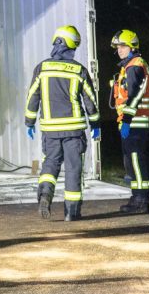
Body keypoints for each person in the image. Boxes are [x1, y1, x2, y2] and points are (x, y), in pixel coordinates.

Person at [25, 25, 100, 221]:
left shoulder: (42, 68)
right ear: (69, 46)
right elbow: (90, 100)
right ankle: (71, 213)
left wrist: (29, 122)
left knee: (50, 164)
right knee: (74, 170)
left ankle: (45, 196)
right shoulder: (79, 70)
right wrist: (96, 124)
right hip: (74, 131)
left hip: (50, 130)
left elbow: (32, 97)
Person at [109, 29, 149, 214]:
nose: (120, 49)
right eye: (118, 46)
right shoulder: (130, 66)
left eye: (123, 46)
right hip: (131, 120)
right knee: (131, 161)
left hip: (135, 121)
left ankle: (142, 200)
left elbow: (135, 95)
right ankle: (137, 197)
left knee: (135, 159)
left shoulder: (134, 66)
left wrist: (127, 119)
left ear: (132, 46)